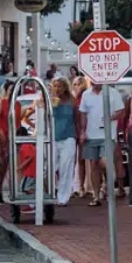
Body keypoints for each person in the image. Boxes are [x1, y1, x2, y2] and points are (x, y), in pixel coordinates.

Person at [78, 78, 108, 207]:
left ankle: (106, 185)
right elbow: (83, 114)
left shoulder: (111, 93)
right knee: (93, 164)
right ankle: (96, 195)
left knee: (104, 162)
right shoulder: (86, 95)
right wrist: (83, 132)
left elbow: (120, 112)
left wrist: (109, 119)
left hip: (107, 135)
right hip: (91, 135)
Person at [50, 78, 77, 206]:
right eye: (55, 86)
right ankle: (49, 192)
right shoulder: (50, 100)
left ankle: (63, 197)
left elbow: (77, 117)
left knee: (66, 167)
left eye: (59, 86)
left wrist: (80, 133)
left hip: (69, 137)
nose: (57, 89)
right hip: (53, 137)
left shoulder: (72, 101)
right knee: (50, 167)